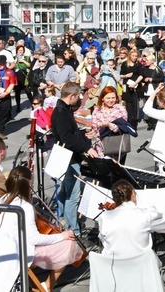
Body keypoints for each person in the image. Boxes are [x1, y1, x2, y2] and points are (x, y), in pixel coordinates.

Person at [0, 166, 83, 292]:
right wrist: (62, 236)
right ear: (28, 183)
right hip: (16, 253)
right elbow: (34, 239)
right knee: (69, 245)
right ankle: (47, 286)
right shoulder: (25, 207)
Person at [52, 82, 100, 235]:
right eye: (78, 96)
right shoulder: (61, 112)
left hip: (69, 156)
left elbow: (70, 133)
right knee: (73, 195)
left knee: (66, 190)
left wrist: (84, 134)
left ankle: (61, 219)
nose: (79, 99)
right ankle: (73, 230)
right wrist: (87, 147)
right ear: (71, 96)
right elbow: (66, 138)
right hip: (68, 158)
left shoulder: (64, 109)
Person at [98, 179, 165, 259]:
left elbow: (104, 241)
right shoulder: (147, 214)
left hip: (113, 267)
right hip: (141, 267)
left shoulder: (104, 217)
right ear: (133, 194)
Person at [92, 86, 129, 163]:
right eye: (108, 98)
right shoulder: (97, 109)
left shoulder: (120, 109)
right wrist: (101, 124)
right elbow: (94, 125)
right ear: (102, 98)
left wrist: (109, 125)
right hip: (101, 144)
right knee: (102, 168)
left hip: (117, 144)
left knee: (116, 169)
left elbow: (122, 126)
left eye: (113, 98)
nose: (111, 100)